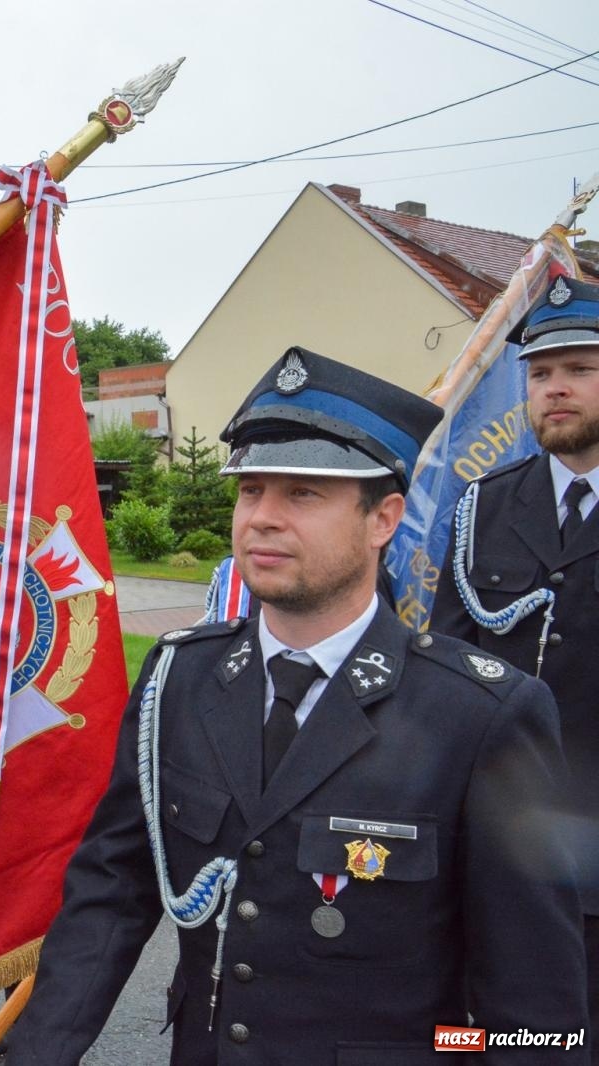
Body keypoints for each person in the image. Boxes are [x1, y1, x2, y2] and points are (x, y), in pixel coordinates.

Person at [8, 347, 586, 1064]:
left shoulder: (479, 714)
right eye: (251, 490)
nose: (262, 519)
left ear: (384, 520)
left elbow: (535, 1003)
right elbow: (115, 885)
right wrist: (40, 1050)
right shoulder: (182, 676)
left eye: (303, 494)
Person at [430, 272, 599, 1063]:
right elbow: (441, 674)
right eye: (540, 374)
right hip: (495, 838)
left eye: (579, 371)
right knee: (478, 1036)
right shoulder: (482, 507)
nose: (554, 389)